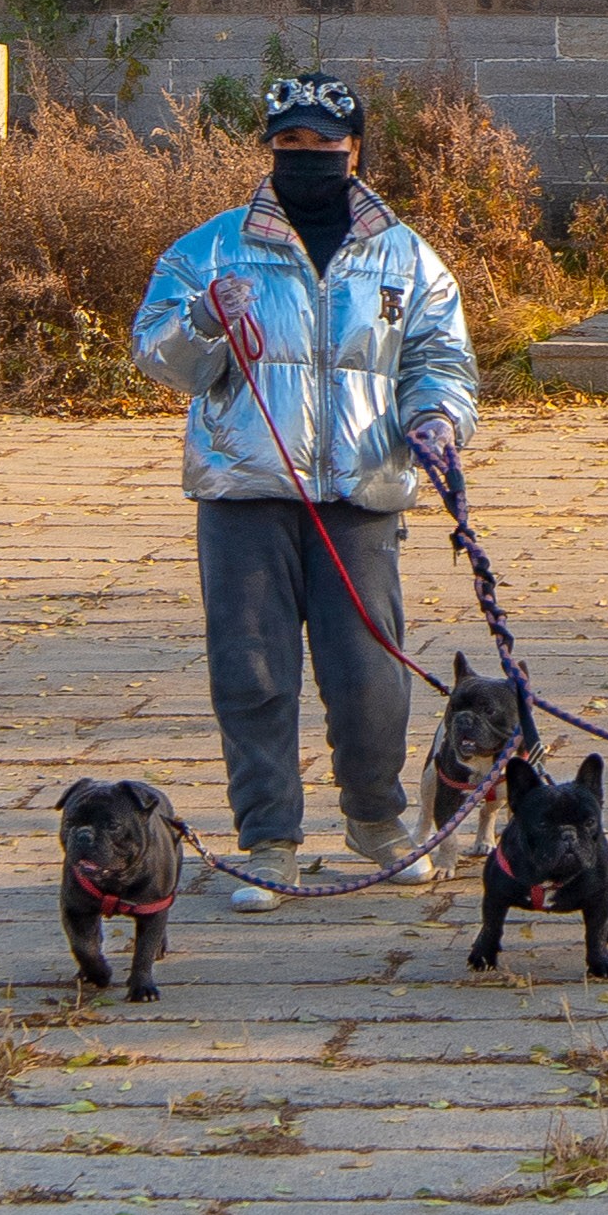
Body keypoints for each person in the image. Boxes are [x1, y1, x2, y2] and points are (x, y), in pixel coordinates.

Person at [132, 74, 479, 902]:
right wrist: (202, 320)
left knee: (370, 674)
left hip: (359, 492)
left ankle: (373, 814)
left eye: (324, 145)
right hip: (244, 490)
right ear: (269, 148)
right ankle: (268, 840)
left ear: (355, 149)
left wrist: (435, 419)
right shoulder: (209, 249)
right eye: (290, 144)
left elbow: (441, 358)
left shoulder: (405, 254)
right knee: (251, 673)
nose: (308, 158)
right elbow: (158, 358)